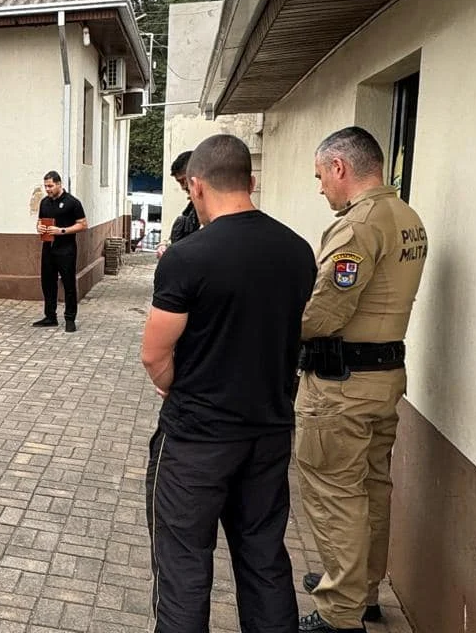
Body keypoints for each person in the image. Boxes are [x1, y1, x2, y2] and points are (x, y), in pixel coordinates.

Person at [140, 134, 316, 633]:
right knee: (263, 558)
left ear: (196, 186)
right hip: (268, 434)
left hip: (197, 439)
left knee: (183, 565)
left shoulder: (188, 257)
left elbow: (154, 353)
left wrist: (175, 386)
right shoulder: (298, 251)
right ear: (251, 181)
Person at [295, 127, 427, 633]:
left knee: (334, 491)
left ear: (340, 168)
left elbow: (324, 311)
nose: (321, 187)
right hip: (384, 378)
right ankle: (362, 590)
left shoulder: (359, 226)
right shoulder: (407, 217)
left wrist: (277, 324)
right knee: (371, 487)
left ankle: (338, 612)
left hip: (341, 384)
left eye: (320, 176)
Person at [32, 171, 86, 333]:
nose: (47, 189)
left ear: (59, 184)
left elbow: (83, 225)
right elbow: (40, 222)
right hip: (48, 248)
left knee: (68, 283)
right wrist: (39, 227)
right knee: (48, 282)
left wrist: (62, 230)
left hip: (66, 249)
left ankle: (70, 318)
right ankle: (50, 316)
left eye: (50, 186)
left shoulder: (72, 203)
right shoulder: (44, 203)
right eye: (46, 186)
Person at [156, 150, 199, 259]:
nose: (183, 187)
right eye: (180, 182)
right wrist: (166, 245)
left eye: (183, 181)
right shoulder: (191, 210)